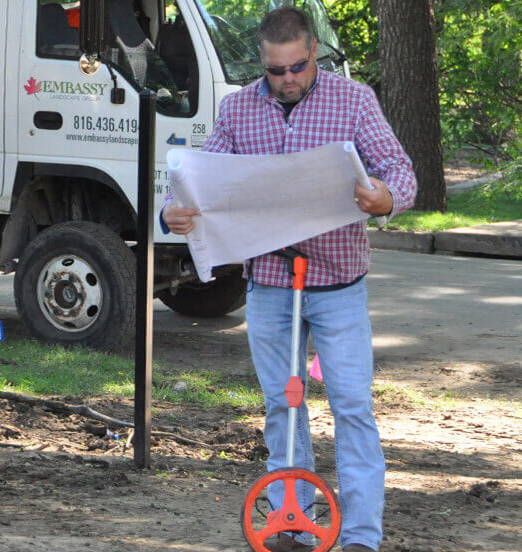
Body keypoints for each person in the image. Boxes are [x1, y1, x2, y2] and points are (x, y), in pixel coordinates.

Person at [162, 7, 415, 552]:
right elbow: (199, 180)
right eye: (276, 71)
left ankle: (361, 539)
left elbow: (400, 171)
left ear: (313, 54)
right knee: (283, 405)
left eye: (297, 68)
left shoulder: (354, 101)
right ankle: (292, 524)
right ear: (262, 62)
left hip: (339, 285)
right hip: (272, 286)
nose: (287, 80)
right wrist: (173, 212)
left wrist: (384, 197)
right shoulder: (238, 109)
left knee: (351, 407)